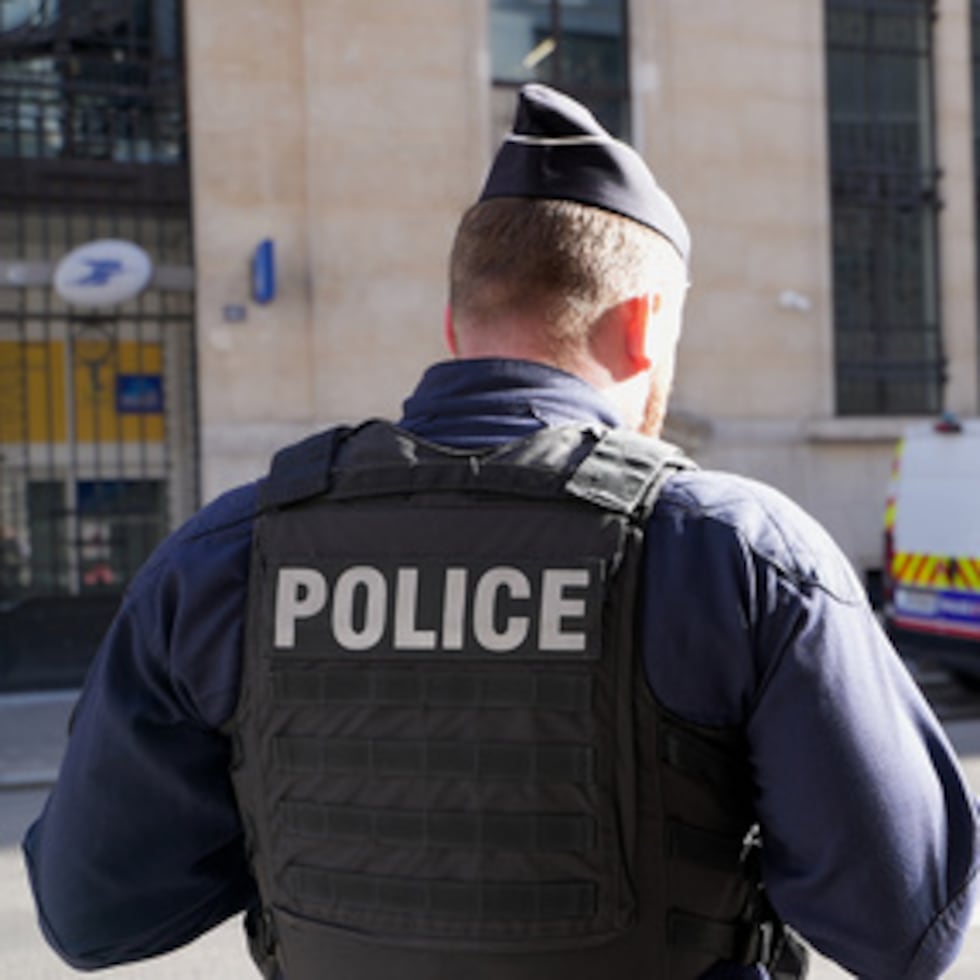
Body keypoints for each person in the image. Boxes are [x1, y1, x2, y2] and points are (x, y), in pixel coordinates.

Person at [23, 84, 979, 980]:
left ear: (453, 322)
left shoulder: (226, 554)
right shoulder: (737, 554)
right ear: (644, 327)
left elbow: (93, 912)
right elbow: (907, 923)